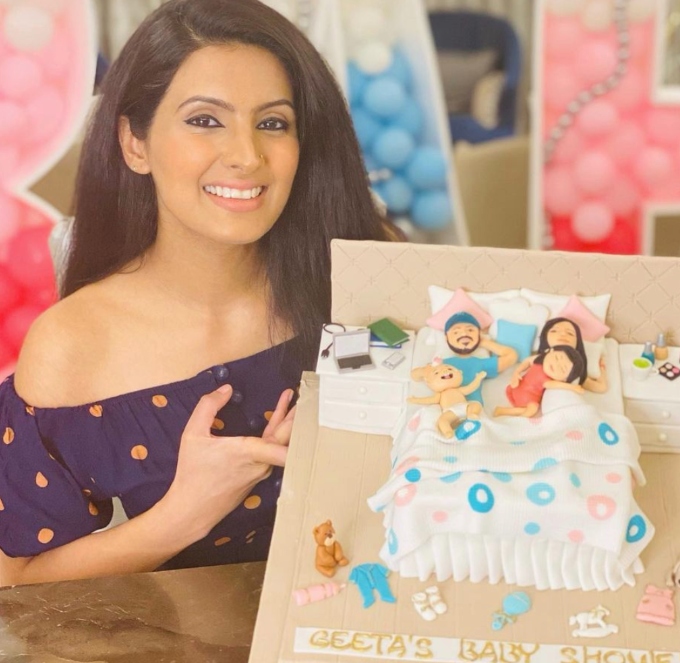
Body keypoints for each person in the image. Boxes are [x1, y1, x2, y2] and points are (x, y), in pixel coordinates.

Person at [0, 0, 396, 587]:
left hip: (384, 614)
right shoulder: (72, 344)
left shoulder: (364, 276)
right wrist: (185, 512)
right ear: (135, 144)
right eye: (205, 120)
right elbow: (17, 580)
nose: (246, 156)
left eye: (273, 123)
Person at [441, 312, 518, 415]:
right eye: (456, 332)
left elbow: (511, 356)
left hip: (472, 410)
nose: (464, 334)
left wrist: (484, 343)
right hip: (445, 409)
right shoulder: (441, 363)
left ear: (479, 334)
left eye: (470, 330)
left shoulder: (479, 363)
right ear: (446, 337)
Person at [493, 345, 585, 418]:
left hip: (525, 395)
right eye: (557, 358)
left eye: (562, 369)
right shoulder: (538, 362)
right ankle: (508, 413)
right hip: (519, 389)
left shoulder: (547, 379)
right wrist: (517, 372)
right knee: (533, 408)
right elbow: (527, 363)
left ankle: (508, 413)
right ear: (550, 351)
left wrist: (572, 387)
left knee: (532, 408)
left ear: (564, 380)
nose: (556, 365)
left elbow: (552, 385)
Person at [537, 317, 608, 393]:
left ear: (577, 342)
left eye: (570, 333)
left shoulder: (574, 369)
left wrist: (602, 368)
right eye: (554, 331)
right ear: (544, 337)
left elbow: (601, 387)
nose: (563, 334)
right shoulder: (538, 359)